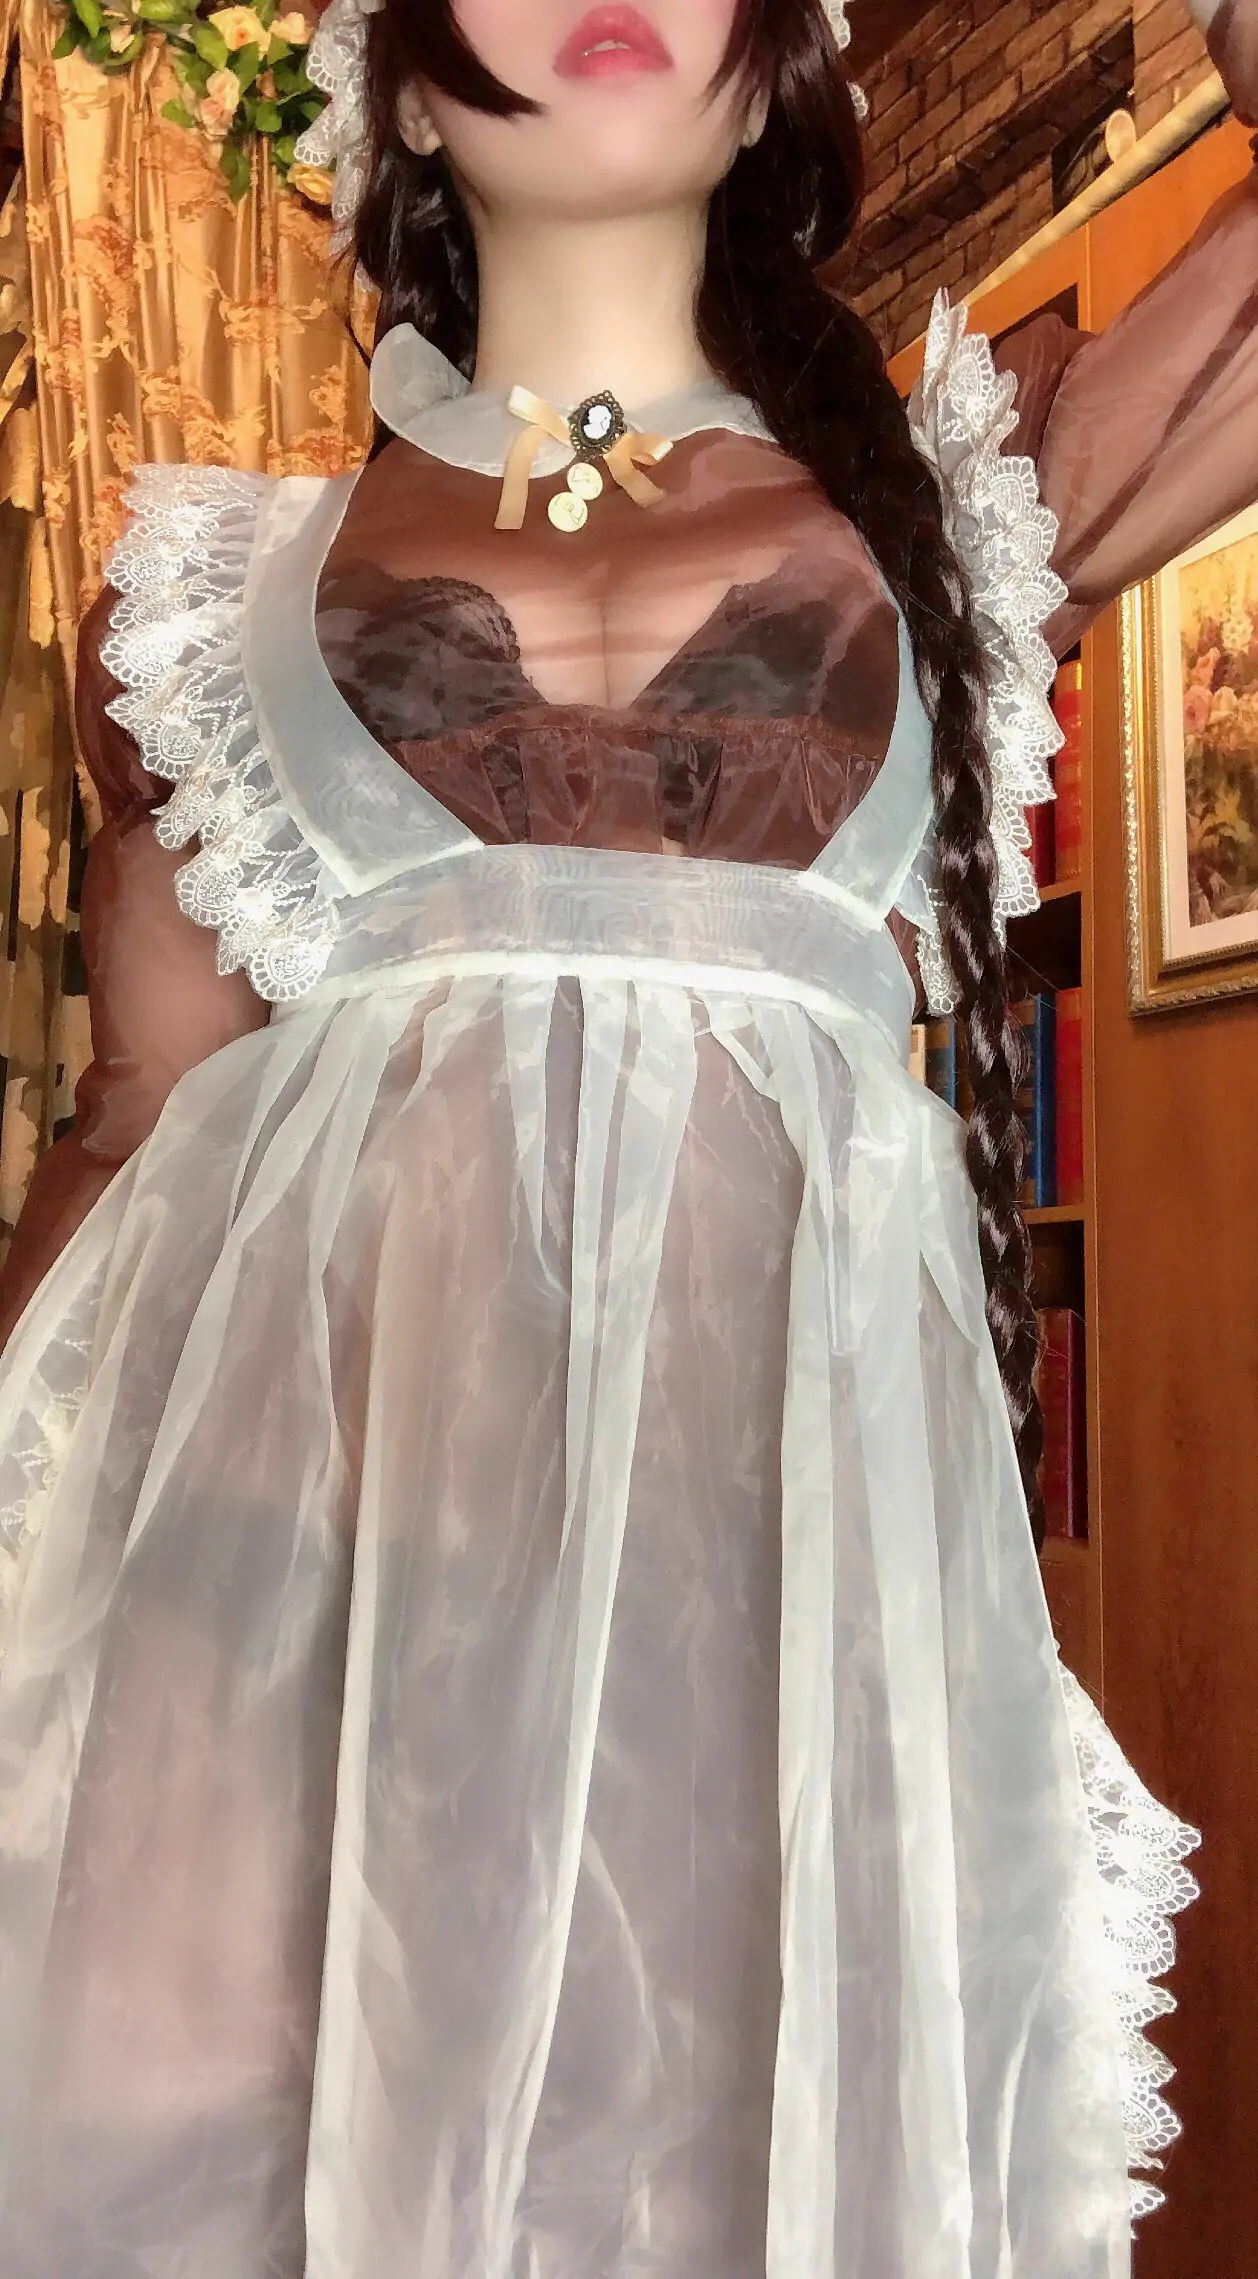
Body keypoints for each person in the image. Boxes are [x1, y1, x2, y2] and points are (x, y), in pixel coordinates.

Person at [0, 0, 1251, 2270]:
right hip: (331, 1672)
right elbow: (131, 1147)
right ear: (392, 77)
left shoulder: (962, 512)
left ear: (784, 67)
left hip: (776, 1679)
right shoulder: (203, 611)